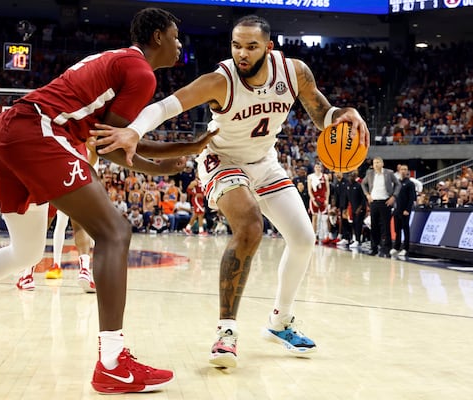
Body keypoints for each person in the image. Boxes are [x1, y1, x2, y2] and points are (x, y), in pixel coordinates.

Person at [0, 8, 212, 394]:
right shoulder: (141, 73)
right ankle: (113, 362)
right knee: (115, 232)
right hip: (37, 131)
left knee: (25, 253)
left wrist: (161, 166)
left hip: (10, 131)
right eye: (176, 36)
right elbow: (109, 143)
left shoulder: (117, 59)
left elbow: (108, 141)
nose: (181, 44)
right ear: (159, 36)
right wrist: (185, 147)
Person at [90, 15, 369, 368]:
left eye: (251, 47)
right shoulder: (220, 80)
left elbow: (323, 113)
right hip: (221, 159)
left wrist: (345, 113)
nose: (242, 53)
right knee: (250, 226)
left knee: (303, 238)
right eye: (236, 45)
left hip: (264, 161)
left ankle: (280, 321)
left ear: (268, 47)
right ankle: (226, 332)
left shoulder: (294, 72)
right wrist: (132, 131)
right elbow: (165, 106)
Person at [361, 157, 401, 257]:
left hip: (385, 202)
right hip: (374, 202)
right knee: (374, 227)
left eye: (378, 162)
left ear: (382, 163)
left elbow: (398, 184)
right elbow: (363, 183)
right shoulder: (369, 173)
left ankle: (386, 249)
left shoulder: (389, 173)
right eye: (374, 163)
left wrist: (394, 197)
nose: (376, 164)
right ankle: (374, 248)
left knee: (385, 227)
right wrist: (367, 195)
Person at [391, 164, 417, 258]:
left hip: (405, 210)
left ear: (407, 171)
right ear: (399, 171)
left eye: (405, 169)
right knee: (397, 229)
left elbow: (411, 198)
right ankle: (396, 246)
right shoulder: (397, 183)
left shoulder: (410, 183)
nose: (403, 171)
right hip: (397, 209)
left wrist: (407, 209)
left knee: (405, 229)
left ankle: (406, 248)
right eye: (402, 169)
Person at [307, 161, 331, 244]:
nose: (318, 168)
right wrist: (313, 200)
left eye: (319, 167)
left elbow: (327, 189)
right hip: (314, 198)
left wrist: (327, 199)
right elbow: (309, 190)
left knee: (325, 217)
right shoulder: (310, 177)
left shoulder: (325, 176)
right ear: (314, 168)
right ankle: (314, 236)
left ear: (321, 168)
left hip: (323, 198)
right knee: (315, 217)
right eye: (316, 167)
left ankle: (326, 235)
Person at [346, 171, 367, 249]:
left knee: (358, 224)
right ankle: (355, 239)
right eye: (349, 176)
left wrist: (360, 208)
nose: (351, 177)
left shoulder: (359, 186)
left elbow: (363, 198)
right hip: (353, 208)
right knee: (354, 224)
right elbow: (348, 198)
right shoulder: (348, 186)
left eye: (352, 176)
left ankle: (358, 240)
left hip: (360, 208)